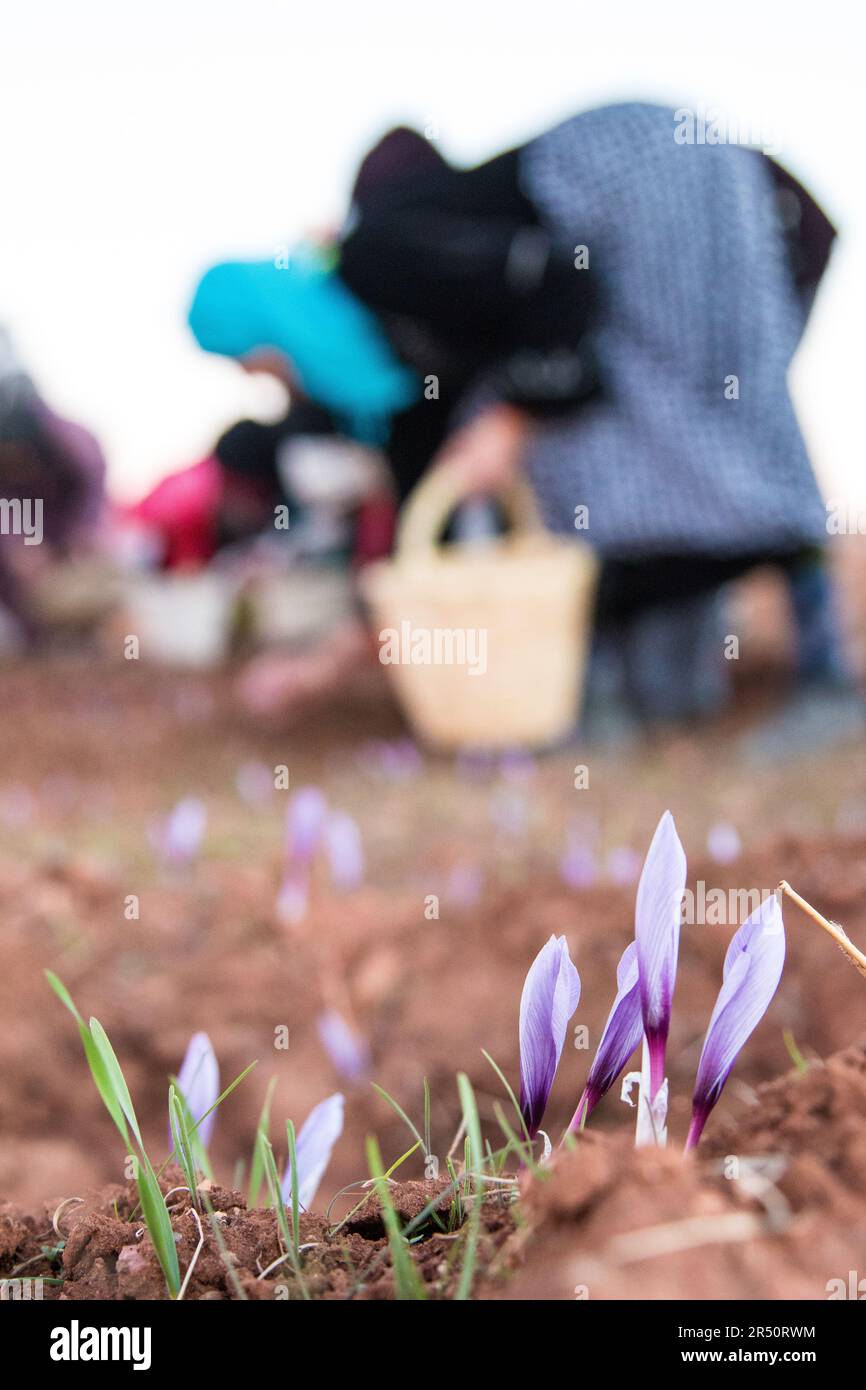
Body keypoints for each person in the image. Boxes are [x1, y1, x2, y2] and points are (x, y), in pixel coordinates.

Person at [187, 104, 853, 732]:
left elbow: (561, 283)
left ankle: (823, 677)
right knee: (626, 444)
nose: (261, 376)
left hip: (645, 178)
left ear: (266, 323)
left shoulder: (379, 256)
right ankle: (618, 691)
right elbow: (423, 521)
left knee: (719, 418)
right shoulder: (392, 384)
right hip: (620, 241)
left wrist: (509, 419)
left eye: (248, 357)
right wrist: (320, 665)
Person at [0, 326, 106, 643]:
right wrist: (14, 544)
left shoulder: (73, 447)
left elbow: (90, 503)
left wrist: (79, 541)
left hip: (63, 563)